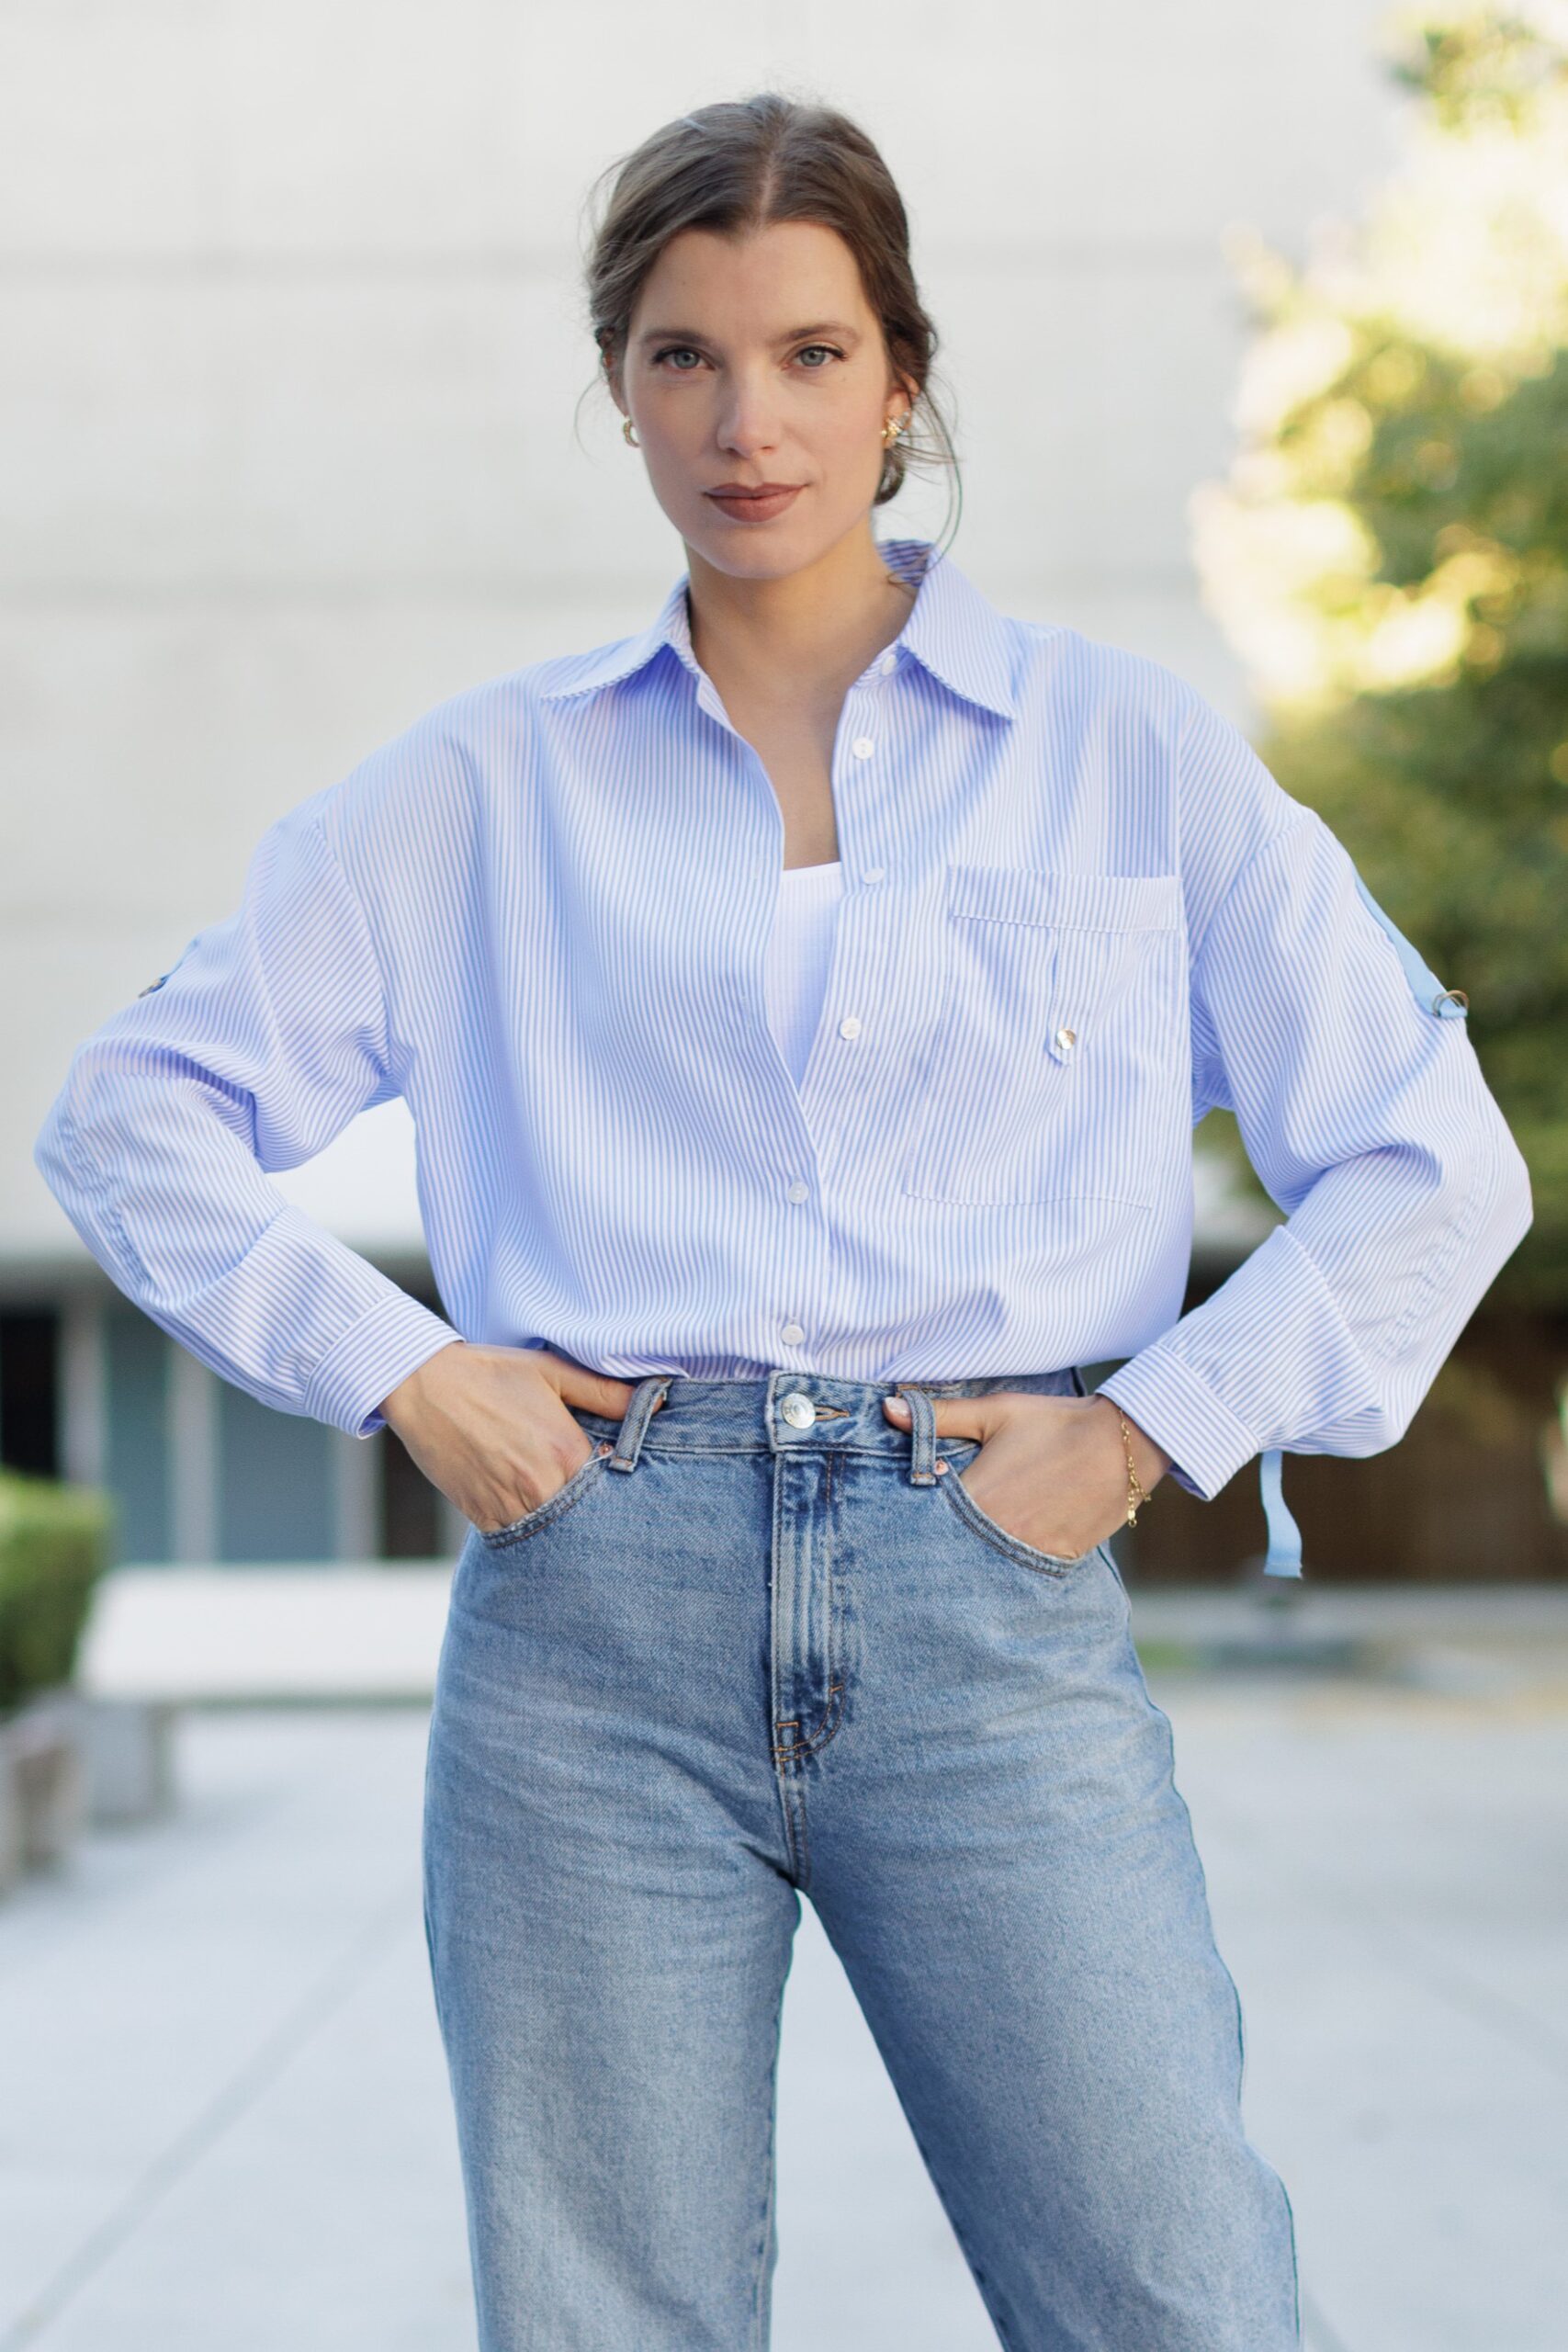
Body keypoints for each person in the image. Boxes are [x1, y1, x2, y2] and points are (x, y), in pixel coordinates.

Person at [36, 90, 1529, 2352]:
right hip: (588, 1629)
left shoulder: (1122, 753)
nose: (750, 421)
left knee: (1176, 2292)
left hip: (984, 1596)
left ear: (902, 378)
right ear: (618, 387)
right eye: (683, 358)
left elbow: (1434, 1153)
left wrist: (1140, 1432)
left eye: (811, 353)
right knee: (604, 2316)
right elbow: (132, 1111)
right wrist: (404, 1369)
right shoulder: (483, 785)